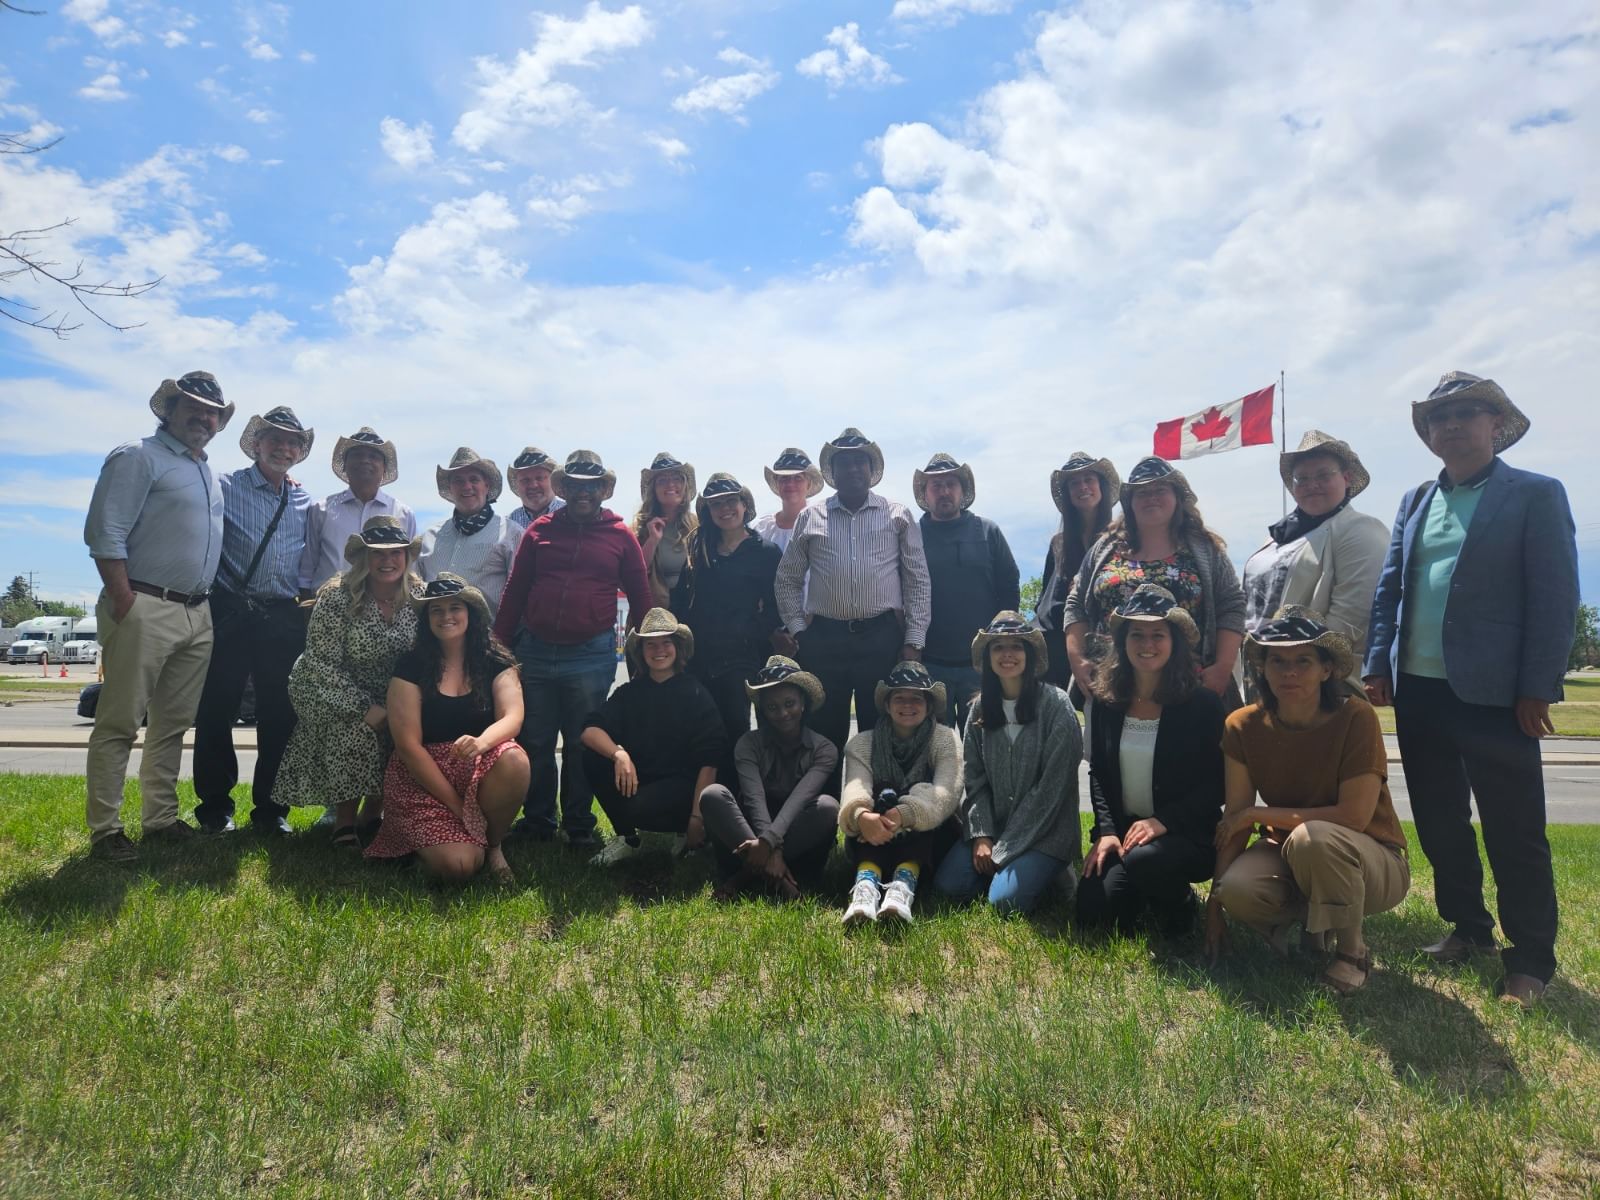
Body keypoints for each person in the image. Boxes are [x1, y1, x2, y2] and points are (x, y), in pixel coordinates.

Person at [1363, 371, 1578, 1008]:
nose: (1450, 425)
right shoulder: (1413, 500)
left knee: (1515, 827)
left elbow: (1555, 597)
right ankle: (1469, 929)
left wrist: (1538, 685)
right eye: (1438, 417)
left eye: (1465, 413)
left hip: (1498, 696)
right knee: (1439, 820)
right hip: (1421, 693)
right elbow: (1390, 590)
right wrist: (1379, 663)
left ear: (1495, 424)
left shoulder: (1536, 494)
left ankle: (1531, 958)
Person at [1207, 609, 1410, 994]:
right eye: (1277, 661)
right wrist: (1214, 907)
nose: (1289, 672)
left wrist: (1257, 813)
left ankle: (1352, 952)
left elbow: (1353, 817)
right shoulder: (1241, 725)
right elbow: (1235, 822)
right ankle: (1310, 928)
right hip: (1293, 852)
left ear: (1327, 670)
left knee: (1312, 837)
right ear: (1262, 668)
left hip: (1373, 861)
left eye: (1304, 660)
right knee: (1237, 888)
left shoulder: (1356, 717)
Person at [82, 371, 229, 861]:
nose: (203, 417)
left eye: (211, 411)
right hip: (144, 604)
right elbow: (106, 532)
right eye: (193, 406)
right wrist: (125, 600)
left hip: (195, 611)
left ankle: (160, 819)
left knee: (172, 725)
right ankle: (105, 829)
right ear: (168, 408)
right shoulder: (136, 456)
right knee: (119, 722)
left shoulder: (205, 470)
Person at [494, 450, 652, 847]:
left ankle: (579, 823)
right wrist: (499, 646)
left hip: (590, 653)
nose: (584, 492)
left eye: (592, 485)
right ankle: (539, 820)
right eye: (576, 485)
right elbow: (515, 591)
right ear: (564, 488)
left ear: (603, 489)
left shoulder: (620, 535)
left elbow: (640, 595)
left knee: (582, 740)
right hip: (535, 649)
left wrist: (645, 651)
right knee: (536, 739)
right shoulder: (539, 531)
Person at [775, 429, 933, 776]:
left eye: (859, 460)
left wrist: (913, 640)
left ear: (871, 466)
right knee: (822, 734)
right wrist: (800, 632)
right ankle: (823, 821)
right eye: (843, 462)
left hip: (881, 637)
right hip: (824, 640)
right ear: (833, 471)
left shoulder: (897, 514)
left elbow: (917, 581)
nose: (852, 468)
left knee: (879, 732)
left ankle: (873, 822)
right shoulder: (810, 516)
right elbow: (786, 579)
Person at [193, 405, 315, 837]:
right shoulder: (222, 485)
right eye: (275, 439)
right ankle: (214, 808)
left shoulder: (303, 499)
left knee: (280, 715)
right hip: (230, 609)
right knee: (216, 710)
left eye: (292, 441)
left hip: (281, 616)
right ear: (257, 444)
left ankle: (270, 810)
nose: (283, 447)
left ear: (300, 451)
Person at [1074, 586, 1222, 934]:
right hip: (1126, 832)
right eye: (1137, 635)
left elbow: (1219, 782)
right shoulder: (1107, 702)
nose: (1147, 644)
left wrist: (1164, 821)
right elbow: (1098, 774)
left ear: (1175, 642)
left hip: (1185, 833)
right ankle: (1144, 891)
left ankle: (1181, 904)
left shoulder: (1203, 704)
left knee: (1147, 861)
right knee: (1092, 914)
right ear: (1122, 642)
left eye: (1158, 635)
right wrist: (1108, 831)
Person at [364, 575, 529, 882]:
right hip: (422, 776)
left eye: (455, 607)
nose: (446, 616)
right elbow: (408, 746)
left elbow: (513, 717)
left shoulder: (495, 661)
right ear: (426, 618)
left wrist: (481, 743)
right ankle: (424, 849)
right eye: (436, 610)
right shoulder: (410, 665)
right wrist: (458, 807)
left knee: (515, 758)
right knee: (459, 867)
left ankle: (493, 845)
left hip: (475, 764)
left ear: (471, 613)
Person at [275, 516, 424, 846]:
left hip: (394, 688)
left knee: (404, 731)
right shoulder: (336, 596)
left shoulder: (419, 597)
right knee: (357, 729)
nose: (387, 561)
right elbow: (319, 661)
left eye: (395, 553)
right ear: (363, 558)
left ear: (406, 556)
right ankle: (344, 821)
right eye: (377, 554)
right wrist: (364, 707)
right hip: (326, 685)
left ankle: (372, 815)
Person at [1063, 456, 1245, 709]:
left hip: (1189, 685)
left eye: (1160, 489)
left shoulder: (1204, 549)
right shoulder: (1104, 548)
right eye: (1142, 492)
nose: (1151, 497)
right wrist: (1077, 658)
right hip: (1110, 685)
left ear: (1178, 497)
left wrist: (1223, 667)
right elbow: (1076, 603)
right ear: (1130, 503)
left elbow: (1232, 605)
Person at [933, 613, 1081, 915]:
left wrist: (1003, 849)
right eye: (998, 647)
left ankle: (1053, 871)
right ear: (987, 657)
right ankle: (1019, 874)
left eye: (1017, 646)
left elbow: (1053, 789)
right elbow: (975, 781)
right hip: (996, 826)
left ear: (1030, 654)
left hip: (1046, 832)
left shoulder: (1057, 704)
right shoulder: (977, 710)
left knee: (1005, 903)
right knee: (950, 887)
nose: (1007, 654)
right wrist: (982, 836)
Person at [1239, 431, 1387, 698]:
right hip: (1264, 675)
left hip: (1314, 683)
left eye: (1323, 475)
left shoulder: (1360, 530)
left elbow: (1349, 618)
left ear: (1346, 478)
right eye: (1302, 479)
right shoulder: (1275, 539)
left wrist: (1295, 663)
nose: (1312, 484)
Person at [579, 608, 726, 867]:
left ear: (678, 647)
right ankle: (628, 839)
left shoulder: (696, 693)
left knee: (638, 806)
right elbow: (590, 729)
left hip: (683, 787)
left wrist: (697, 818)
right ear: (641, 651)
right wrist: (619, 754)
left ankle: (684, 833)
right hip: (641, 779)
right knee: (592, 755)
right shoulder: (629, 693)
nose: (659, 650)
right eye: (651, 644)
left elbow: (711, 758)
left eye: (666, 642)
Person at [699, 656, 840, 900]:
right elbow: (754, 798)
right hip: (748, 835)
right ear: (762, 710)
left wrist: (769, 845)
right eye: (772, 707)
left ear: (803, 704)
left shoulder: (824, 749)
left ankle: (743, 877)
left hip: (797, 841)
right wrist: (767, 847)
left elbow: (799, 799)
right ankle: (777, 880)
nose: (783, 713)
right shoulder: (748, 744)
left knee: (828, 807)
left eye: (790, 703)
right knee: (712, 795)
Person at [838, 661, 961, 926]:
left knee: (921, 793)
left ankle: (902, 888)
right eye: (899, 698)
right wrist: (860, 815)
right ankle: (865, 888)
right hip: (874, 831)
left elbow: (947, 790)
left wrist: (906, 813)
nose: (908, 705)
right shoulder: (862, 743)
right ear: (886, 704)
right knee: (875, 798)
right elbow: (855, 786)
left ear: (928, 705)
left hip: (929, 833)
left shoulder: (945, 738)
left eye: (916, 698)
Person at [670, 473, 784, 755]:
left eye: (731, 501)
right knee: (701, 731)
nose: (725, 509)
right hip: (699, 655)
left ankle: (736, 797)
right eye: (716, 504)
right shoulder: (698, 549)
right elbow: (682, 602)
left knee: (736, 730)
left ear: (745, 504)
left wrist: (750, 631)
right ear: (708, 511)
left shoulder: (766, 552)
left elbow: (775, 607)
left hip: (741, 658)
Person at [915, 454, 1021, 730]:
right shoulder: (910, 536)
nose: (944, 491)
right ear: (925, 493)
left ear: (962, 490)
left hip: (981, 664)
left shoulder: (988, 531)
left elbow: (1009, 588)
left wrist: (1001, 646)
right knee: (937, 747)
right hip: (929, 661)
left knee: (985, 740)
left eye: (951, 483)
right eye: (936, 485)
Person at [1036, 453, 1119, 696]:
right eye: (1074, 483)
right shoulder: (1058, 543)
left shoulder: (1120, 540)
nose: (1082, 487)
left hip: (1103, 637)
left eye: (1088, 479)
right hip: (1056, 640)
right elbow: (1045, 599)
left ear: (1101, 486)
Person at [299, 426, 416, 593]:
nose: (365, 460)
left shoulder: (402, 514)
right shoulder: (320, 509)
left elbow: (410, 569)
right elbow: (307, 566)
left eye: (373, 456)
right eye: (357, 455)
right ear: (345, 465)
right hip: (326, 608)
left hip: (384, 610)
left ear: (384, 468)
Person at [418, 447, 515, 617]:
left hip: (491, 638)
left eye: (474, 479)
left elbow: (519, 592)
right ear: (450, 488)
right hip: (436, 637)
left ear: (487, 485)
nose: (467, 486)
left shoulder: (511, 533)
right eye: (458, 480)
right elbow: (416, 590)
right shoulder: (429, 537)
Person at [634, 452, 697, 608]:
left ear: (685, 486)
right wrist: (652, 540)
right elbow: (634, 575)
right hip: (654, 618)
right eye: (662, 480)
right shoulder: (638, 527)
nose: (670, 485)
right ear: (653, 489)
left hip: (694, 614)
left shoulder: (698, 525)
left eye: (676, 478)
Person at [753, 448, 823, 553]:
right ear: (777, 484)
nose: (790, 484)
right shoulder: (762, 528)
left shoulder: (823, 525)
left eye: (798, 478)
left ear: (808, 484)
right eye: (784, 478)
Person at [505, 445, 565, 534]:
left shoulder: (572, 516)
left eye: (539, 478)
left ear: (553, 481)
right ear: (517, 485)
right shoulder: (507, 526)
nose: (533, 485)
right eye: (525, 480)